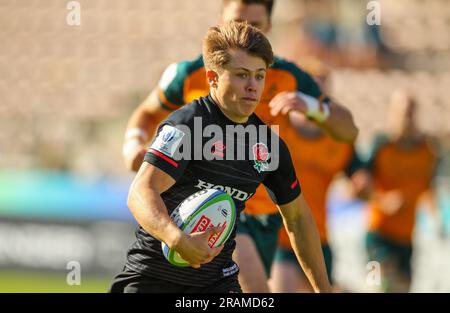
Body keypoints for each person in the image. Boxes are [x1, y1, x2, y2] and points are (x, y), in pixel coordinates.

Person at [122, 0, 358, 292]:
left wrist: (324, 289)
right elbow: (140, 192)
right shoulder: (188, 118)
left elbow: (299, 214)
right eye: (242, 75)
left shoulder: (271, 137)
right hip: (158, 276)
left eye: (259, 76)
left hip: (251, 235)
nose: (253, 86)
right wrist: (176, 239)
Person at [268, 59, 364, 292]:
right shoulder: (276, 128)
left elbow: (360, 179)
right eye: (307, 94)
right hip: (280, 238)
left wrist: (361, 187)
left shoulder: (338, 141)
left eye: (318, 96)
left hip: (318, 239)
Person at [363, 90, 440, 292]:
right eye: (402, 111)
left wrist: (437, 218)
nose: (407, 116)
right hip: (378, 234)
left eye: (411, 111)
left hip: (406, 237)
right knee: (378, 286)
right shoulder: (381, 145)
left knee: (403, 289)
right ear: (391, 112)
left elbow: (429, 187)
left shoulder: (427, 151)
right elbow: (357, 186)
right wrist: (383, 200)